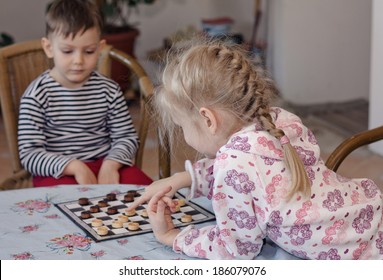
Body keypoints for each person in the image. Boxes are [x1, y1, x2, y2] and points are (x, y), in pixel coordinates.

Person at [128, 36, 383, 260]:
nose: (184, 135)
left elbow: (235, 251)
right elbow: (256, 173)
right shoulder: (279, 121)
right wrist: (183, 178)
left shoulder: (234, 164)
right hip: (368, 215)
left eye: (181, 126)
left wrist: (172, 236)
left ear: (208, 119)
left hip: (360, 257)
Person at [18, 0, 152, 187]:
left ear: (99, 48)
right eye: (67, 51)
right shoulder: (36, 96)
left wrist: (111, 164)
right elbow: (30, 155)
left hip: (106, 164)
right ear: (49, 48)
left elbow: (126, 137)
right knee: (59, 207)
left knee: (148, 193)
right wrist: (75, 166)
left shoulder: (109, 90)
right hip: (59, 172)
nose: (78, 60)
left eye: (88, 51)